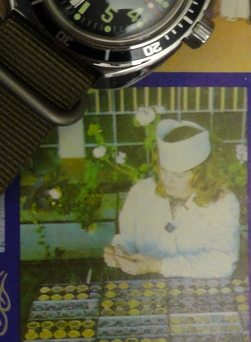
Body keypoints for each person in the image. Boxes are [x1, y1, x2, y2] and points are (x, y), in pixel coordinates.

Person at [103, 119, 240, 279]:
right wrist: (120, 251)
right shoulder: (141, 192)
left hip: (200, 289)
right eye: (164, 170)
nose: (167, 180)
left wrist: (157, 265)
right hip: (149, 287)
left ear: (200, 174)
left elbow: (222, 263)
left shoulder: (223, 203)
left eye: (178, 174)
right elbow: (128, 238)